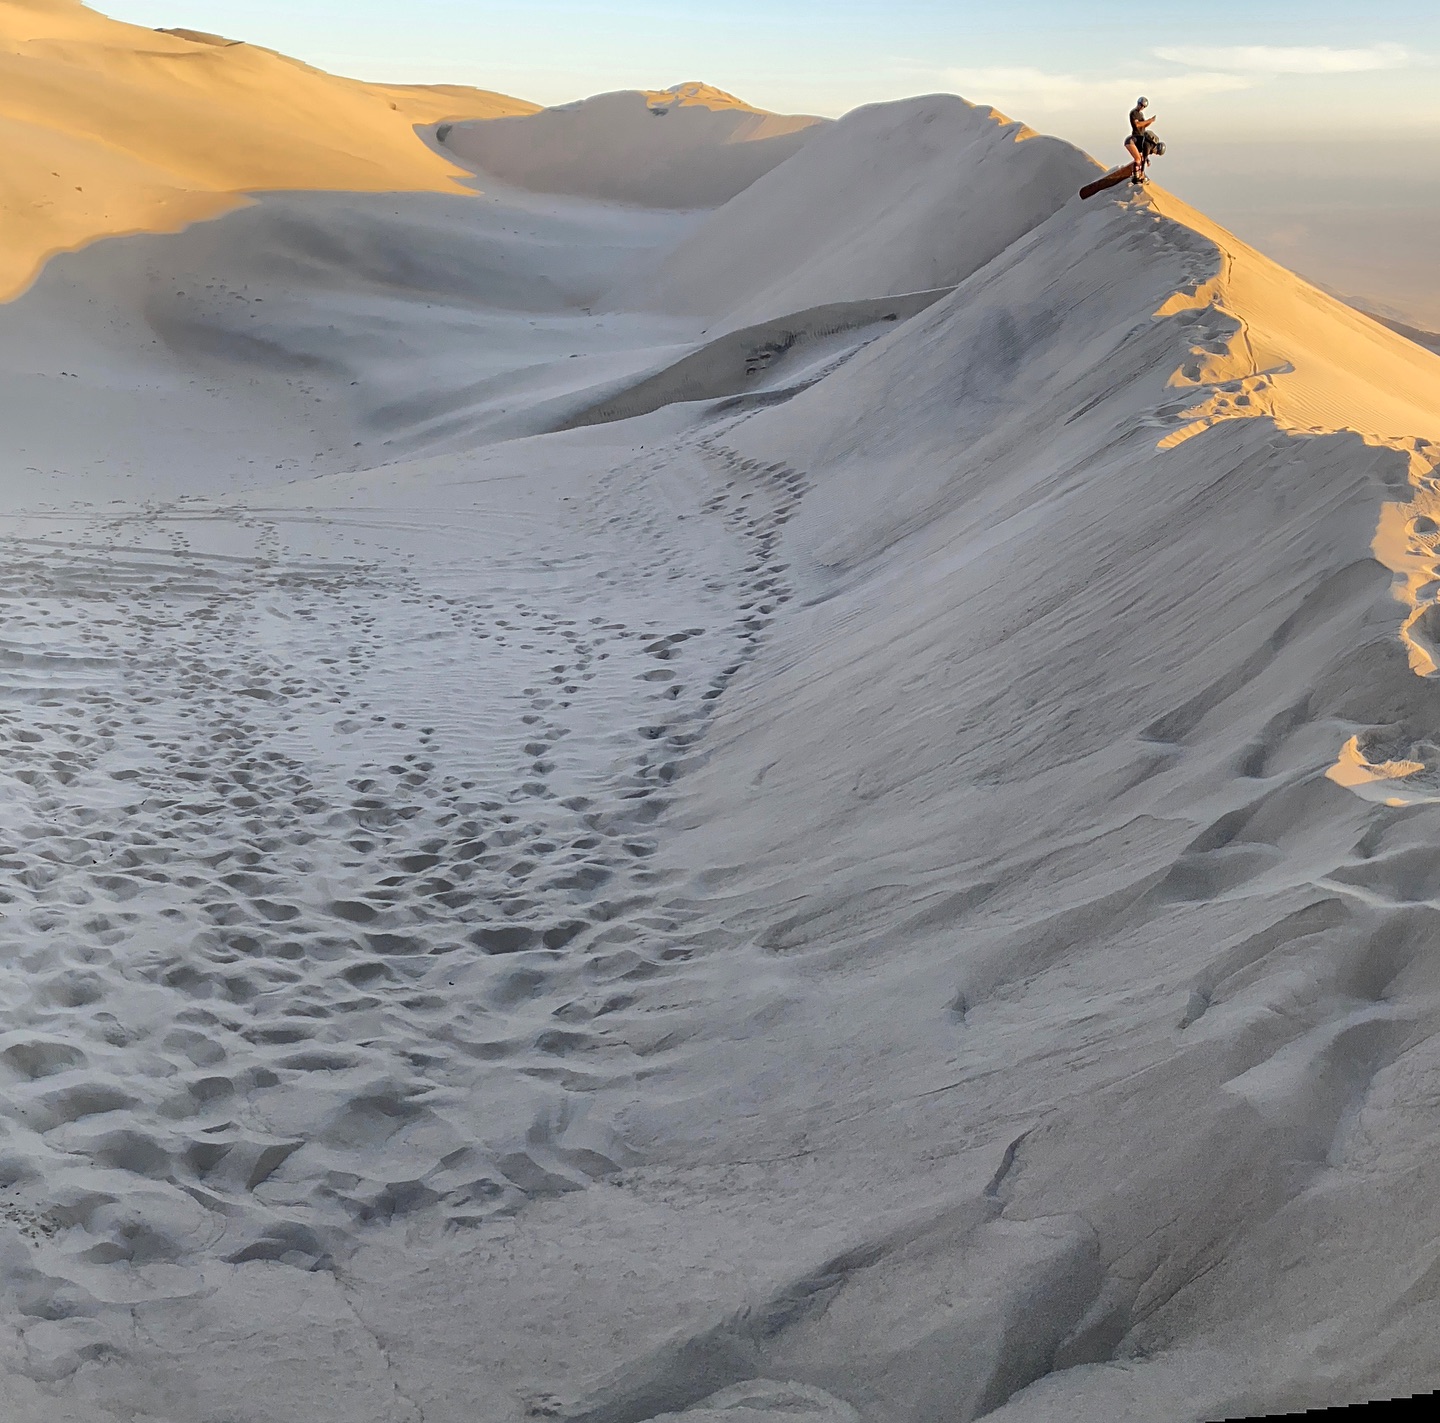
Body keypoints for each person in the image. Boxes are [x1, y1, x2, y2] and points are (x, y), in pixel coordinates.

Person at [1126, 97, 1157, 182]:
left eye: (1144, 107)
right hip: (1135, 138)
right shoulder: (1134, 113)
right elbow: (1137, 125)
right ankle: (1136, 178)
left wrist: (1150, 121)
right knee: (1138, 159)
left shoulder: (1141, 115)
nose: (1142, 107)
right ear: (1138, 103)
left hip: (1141, 138)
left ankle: (1139, 174)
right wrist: (1148, 120)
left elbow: (1143, 125)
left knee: (1142, 159)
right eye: (1142, 105)